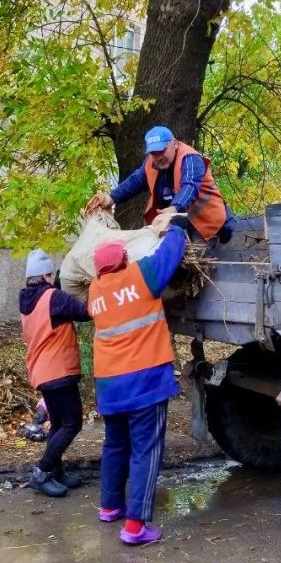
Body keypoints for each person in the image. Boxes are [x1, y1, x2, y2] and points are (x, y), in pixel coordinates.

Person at [88, 221, 187, 545]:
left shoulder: (95, 292)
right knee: (146, 449)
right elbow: (170, 255)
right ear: (124, 261)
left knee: (115, 444)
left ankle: (109, 505)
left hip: (110, 385)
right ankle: (135, 527)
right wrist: (177, 228)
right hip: (144, 380)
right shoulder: (141, 275)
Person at [19, 248, 91, 497]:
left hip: (42, 371)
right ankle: (41, 471)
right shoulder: (54, 297)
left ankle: (56, 471)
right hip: (58, 369)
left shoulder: (27, 300)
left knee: (58, 423)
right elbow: (85, 313)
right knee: (72, 423)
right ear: (48, 275)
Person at [91, 125, 234, 243]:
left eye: (162, 150)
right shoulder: (151, 163)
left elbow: (190, 186)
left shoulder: (190, 158)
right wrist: (111, 198)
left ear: (174, 144)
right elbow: (135, 181)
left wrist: (173, 208)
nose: (158, 157)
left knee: (195, 267)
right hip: (177, 223)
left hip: (205, 223)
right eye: (153, 153)